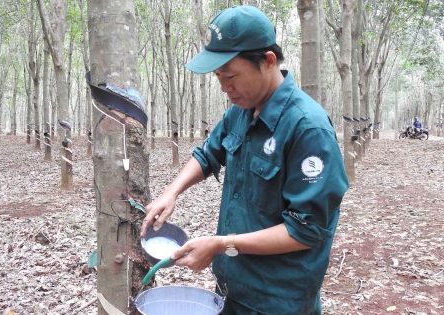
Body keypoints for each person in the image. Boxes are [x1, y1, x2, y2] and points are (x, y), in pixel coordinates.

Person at [140, 5, 349, 315]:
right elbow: (210, 153)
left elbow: (306, 230)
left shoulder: (308, 129)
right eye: (218, 77)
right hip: (231, 287)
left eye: (232, 76)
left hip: (277, 300)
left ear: (267, 61)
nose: (225, 88)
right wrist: (171, 192)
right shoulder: (241, 110)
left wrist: (221, 244)